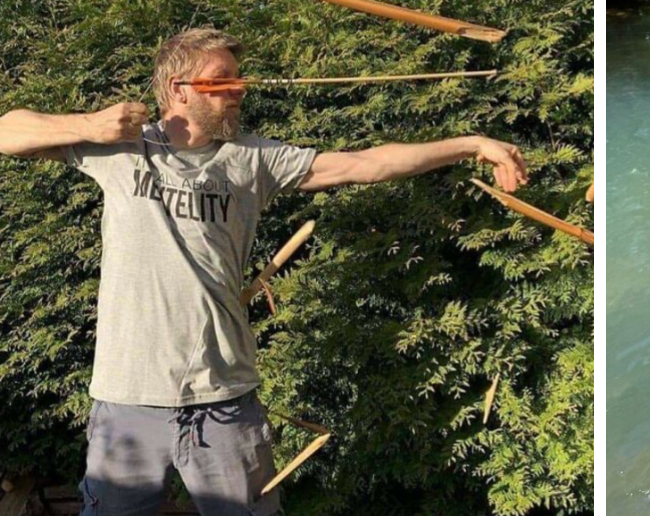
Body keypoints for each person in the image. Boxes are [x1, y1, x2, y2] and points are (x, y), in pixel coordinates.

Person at [0, 28, 529, 516]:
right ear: (180, 88)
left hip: (225, 401)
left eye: (238, 81)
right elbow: (7, 131)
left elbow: (365, 163)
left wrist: (469, 144)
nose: (238, 91)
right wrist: (89, 124)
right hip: (127, 401)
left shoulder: (253, 159)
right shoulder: (118, 147)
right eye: (222, 82)